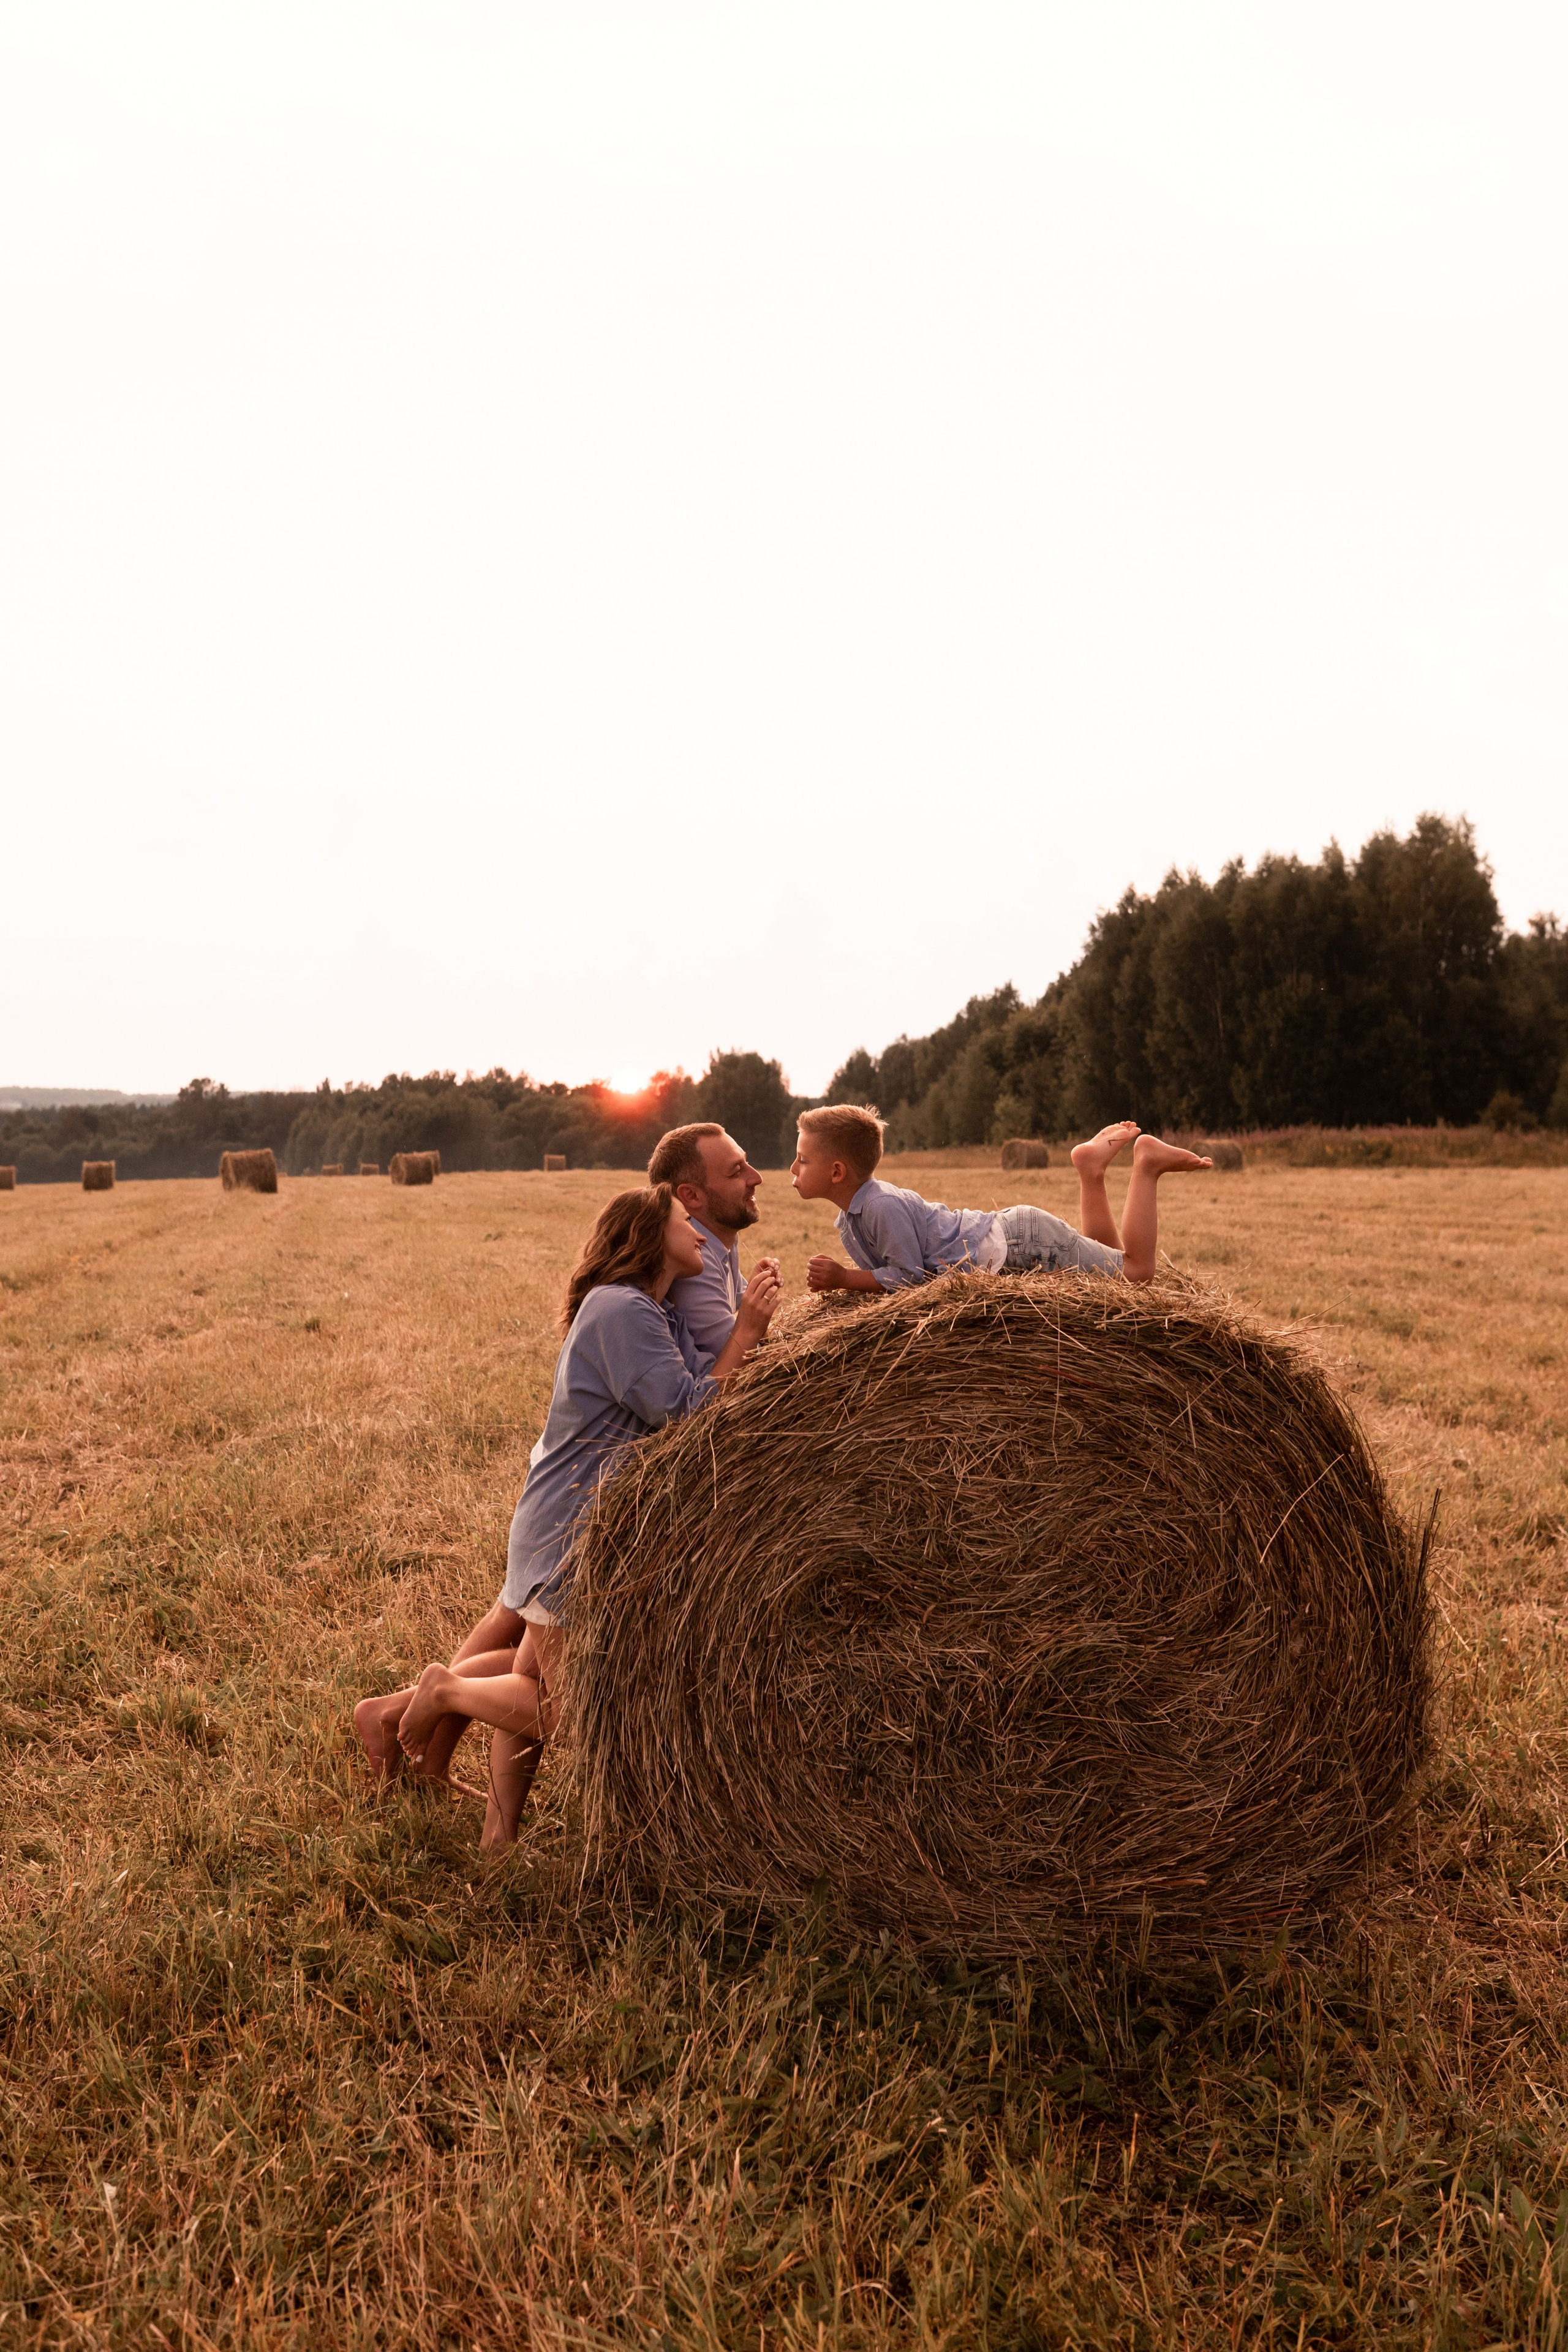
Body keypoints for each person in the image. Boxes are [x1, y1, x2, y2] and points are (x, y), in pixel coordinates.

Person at [353, 1182, 780, 1847]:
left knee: (526, 1683)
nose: (698, 1232)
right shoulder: (621, 1309)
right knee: (577, 1715)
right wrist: (747, 1329)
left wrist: (756, 1337)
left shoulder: (652, 1312)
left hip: (578, 1526)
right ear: (649, 1235)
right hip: (570, 1531)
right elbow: (688, 1411)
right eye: (683, 1221)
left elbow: (713, 1381)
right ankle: (440, 1692)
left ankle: (497, 1841)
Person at [791, 1104, 1210, 1291]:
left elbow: (909, 1277)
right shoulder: (852, 1218)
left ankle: (1146, 1163)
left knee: (1137, 1275)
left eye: (802, 1160)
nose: (793, 1169)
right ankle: (1091, 1172)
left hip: (1021, 1243)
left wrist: (844, 1279)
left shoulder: (879, 1206)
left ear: (837, 1172)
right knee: (1111, 1280)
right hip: (1015, 1239)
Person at [647, 1121, 778, 1366]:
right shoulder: (693, 1261)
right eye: (736, 1172)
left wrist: (754, 1296)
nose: (756, 1178)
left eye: (746, 1163)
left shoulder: (722, 1238)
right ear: (692, 1196)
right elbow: (740, 1360)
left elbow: (744, 1322)